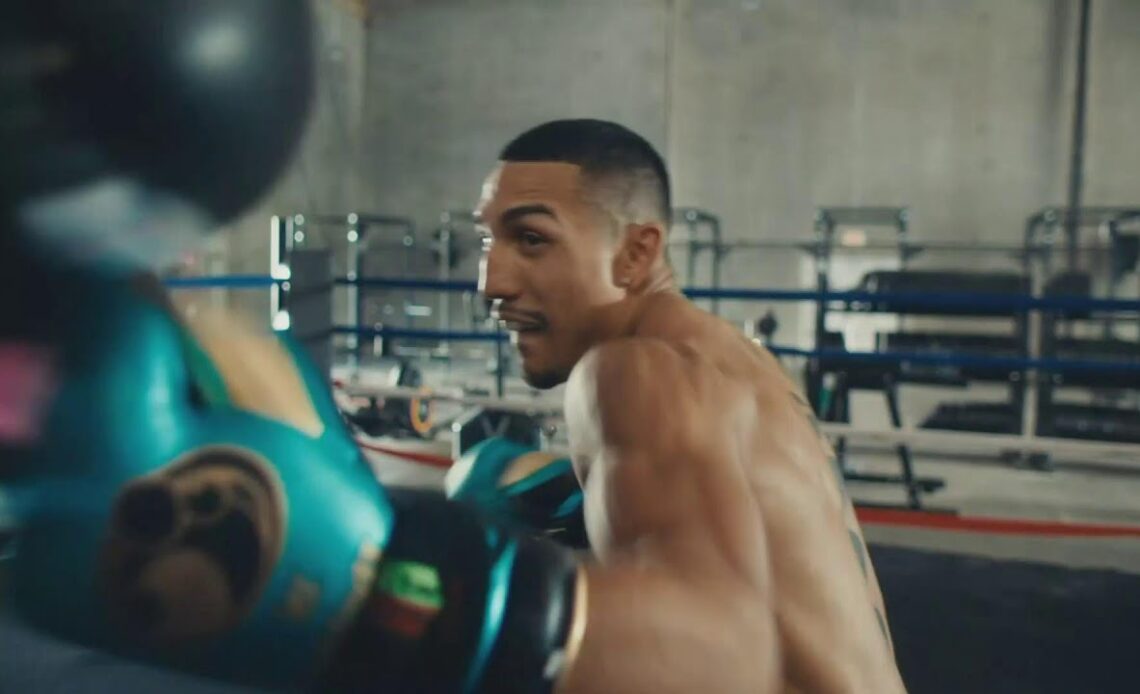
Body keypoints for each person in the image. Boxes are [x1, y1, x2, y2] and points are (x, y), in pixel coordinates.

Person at [465, 118, 908, 692]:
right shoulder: (739, 364)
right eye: (486, 240)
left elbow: (716, 658)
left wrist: (447, 590)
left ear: (634, 252)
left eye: (531, 240)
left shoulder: (628, 372)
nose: (491, 282)